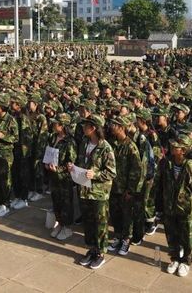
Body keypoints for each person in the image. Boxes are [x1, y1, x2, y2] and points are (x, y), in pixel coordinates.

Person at [70, 114, 116, 270]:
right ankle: (92, 249)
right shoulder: (84, 143)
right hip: (84, 190)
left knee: (100, 224)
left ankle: (101, 253)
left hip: (98, 193)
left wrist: (95, 174)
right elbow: (80, 162)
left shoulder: (106, 148)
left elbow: (111, 172)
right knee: (88, 222)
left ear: (94, 128)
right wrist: (73, 167)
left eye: (86, 125)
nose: (83, 128)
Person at [159, 135, 192, 278]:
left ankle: (185, 261)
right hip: (169, 206)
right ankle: (175, 258)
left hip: (185, 208)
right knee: (171, 234)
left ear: (183, 150)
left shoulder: (189, 165)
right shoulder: (167, 162)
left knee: (186, 235)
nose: (172, 147)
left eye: (176, 146)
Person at [106, 115, 143, 257]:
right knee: (115, 213)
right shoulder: (111, 143)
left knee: (127, 215)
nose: (111, 127)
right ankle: (117, 235)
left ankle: (126, 239)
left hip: (125, 189)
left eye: (114, 125)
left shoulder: (130, 146)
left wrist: (131, 190)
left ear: (122, 128)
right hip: (113, 186)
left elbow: (136, 170)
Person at [45, 113, 77, 241]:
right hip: (53, 176)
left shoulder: (70, 142)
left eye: (56, 123)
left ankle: (67, 227)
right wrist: (47, 164)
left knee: (66, 203)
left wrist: (59, 169)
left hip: (64, 178)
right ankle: (60, 223)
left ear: (63, 126)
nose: (53, 125)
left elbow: (71, 163)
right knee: (56, 201)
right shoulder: (53, 137)